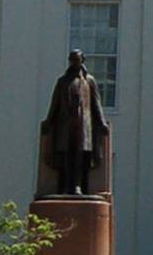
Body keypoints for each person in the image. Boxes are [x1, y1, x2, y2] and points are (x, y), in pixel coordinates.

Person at [42, 50, 109, 197]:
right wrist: (49, 120)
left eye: (77, 59)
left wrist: (102, 122)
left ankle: (78, 186)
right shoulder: (63, 81)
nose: (75, 62)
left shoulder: (89, 81)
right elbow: (55, 103)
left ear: (82, 61)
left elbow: (96, 103)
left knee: (80, 156)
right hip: (66, 125)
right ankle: (66, 185)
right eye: (72, 60)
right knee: (65, 155)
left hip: (83, 125)